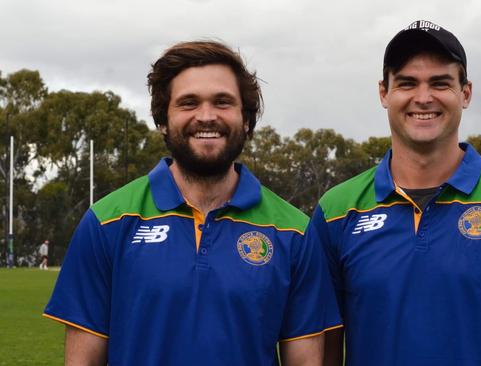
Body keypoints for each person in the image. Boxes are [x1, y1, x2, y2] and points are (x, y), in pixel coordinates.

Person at [44, 40, 341, 365]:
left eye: (223, 102)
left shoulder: (293, 231)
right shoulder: (107, 222)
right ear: (162, 120)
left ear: (246, 119)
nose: (206, 116)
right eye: (188, 103)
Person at [308, 20, 481, 366]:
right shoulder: (336, 211)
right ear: (384, 92)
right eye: (407, 83)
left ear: (465, 93)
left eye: (440, 83)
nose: (423, 98)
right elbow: (322, 354)